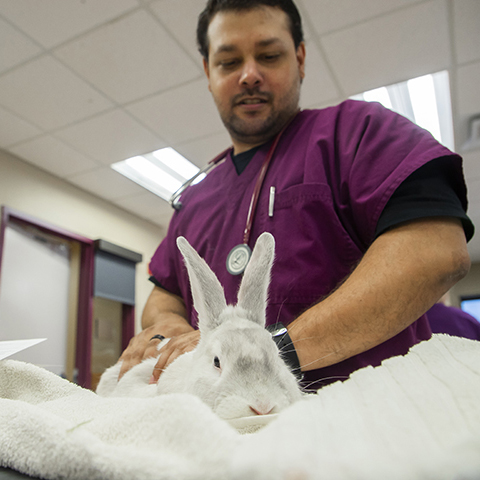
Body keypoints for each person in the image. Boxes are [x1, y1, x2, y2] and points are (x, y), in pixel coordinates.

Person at [118, 0, 474, 391]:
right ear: (208, 72)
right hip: (219, 431)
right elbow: (163, 296)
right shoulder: (194, 200)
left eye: (269, 55)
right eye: (228, 62)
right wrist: (167, 326)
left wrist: (272, 351)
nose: (249, 75)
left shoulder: (358, 133)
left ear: (300, 59)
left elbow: (436, 250)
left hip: (363, 420)